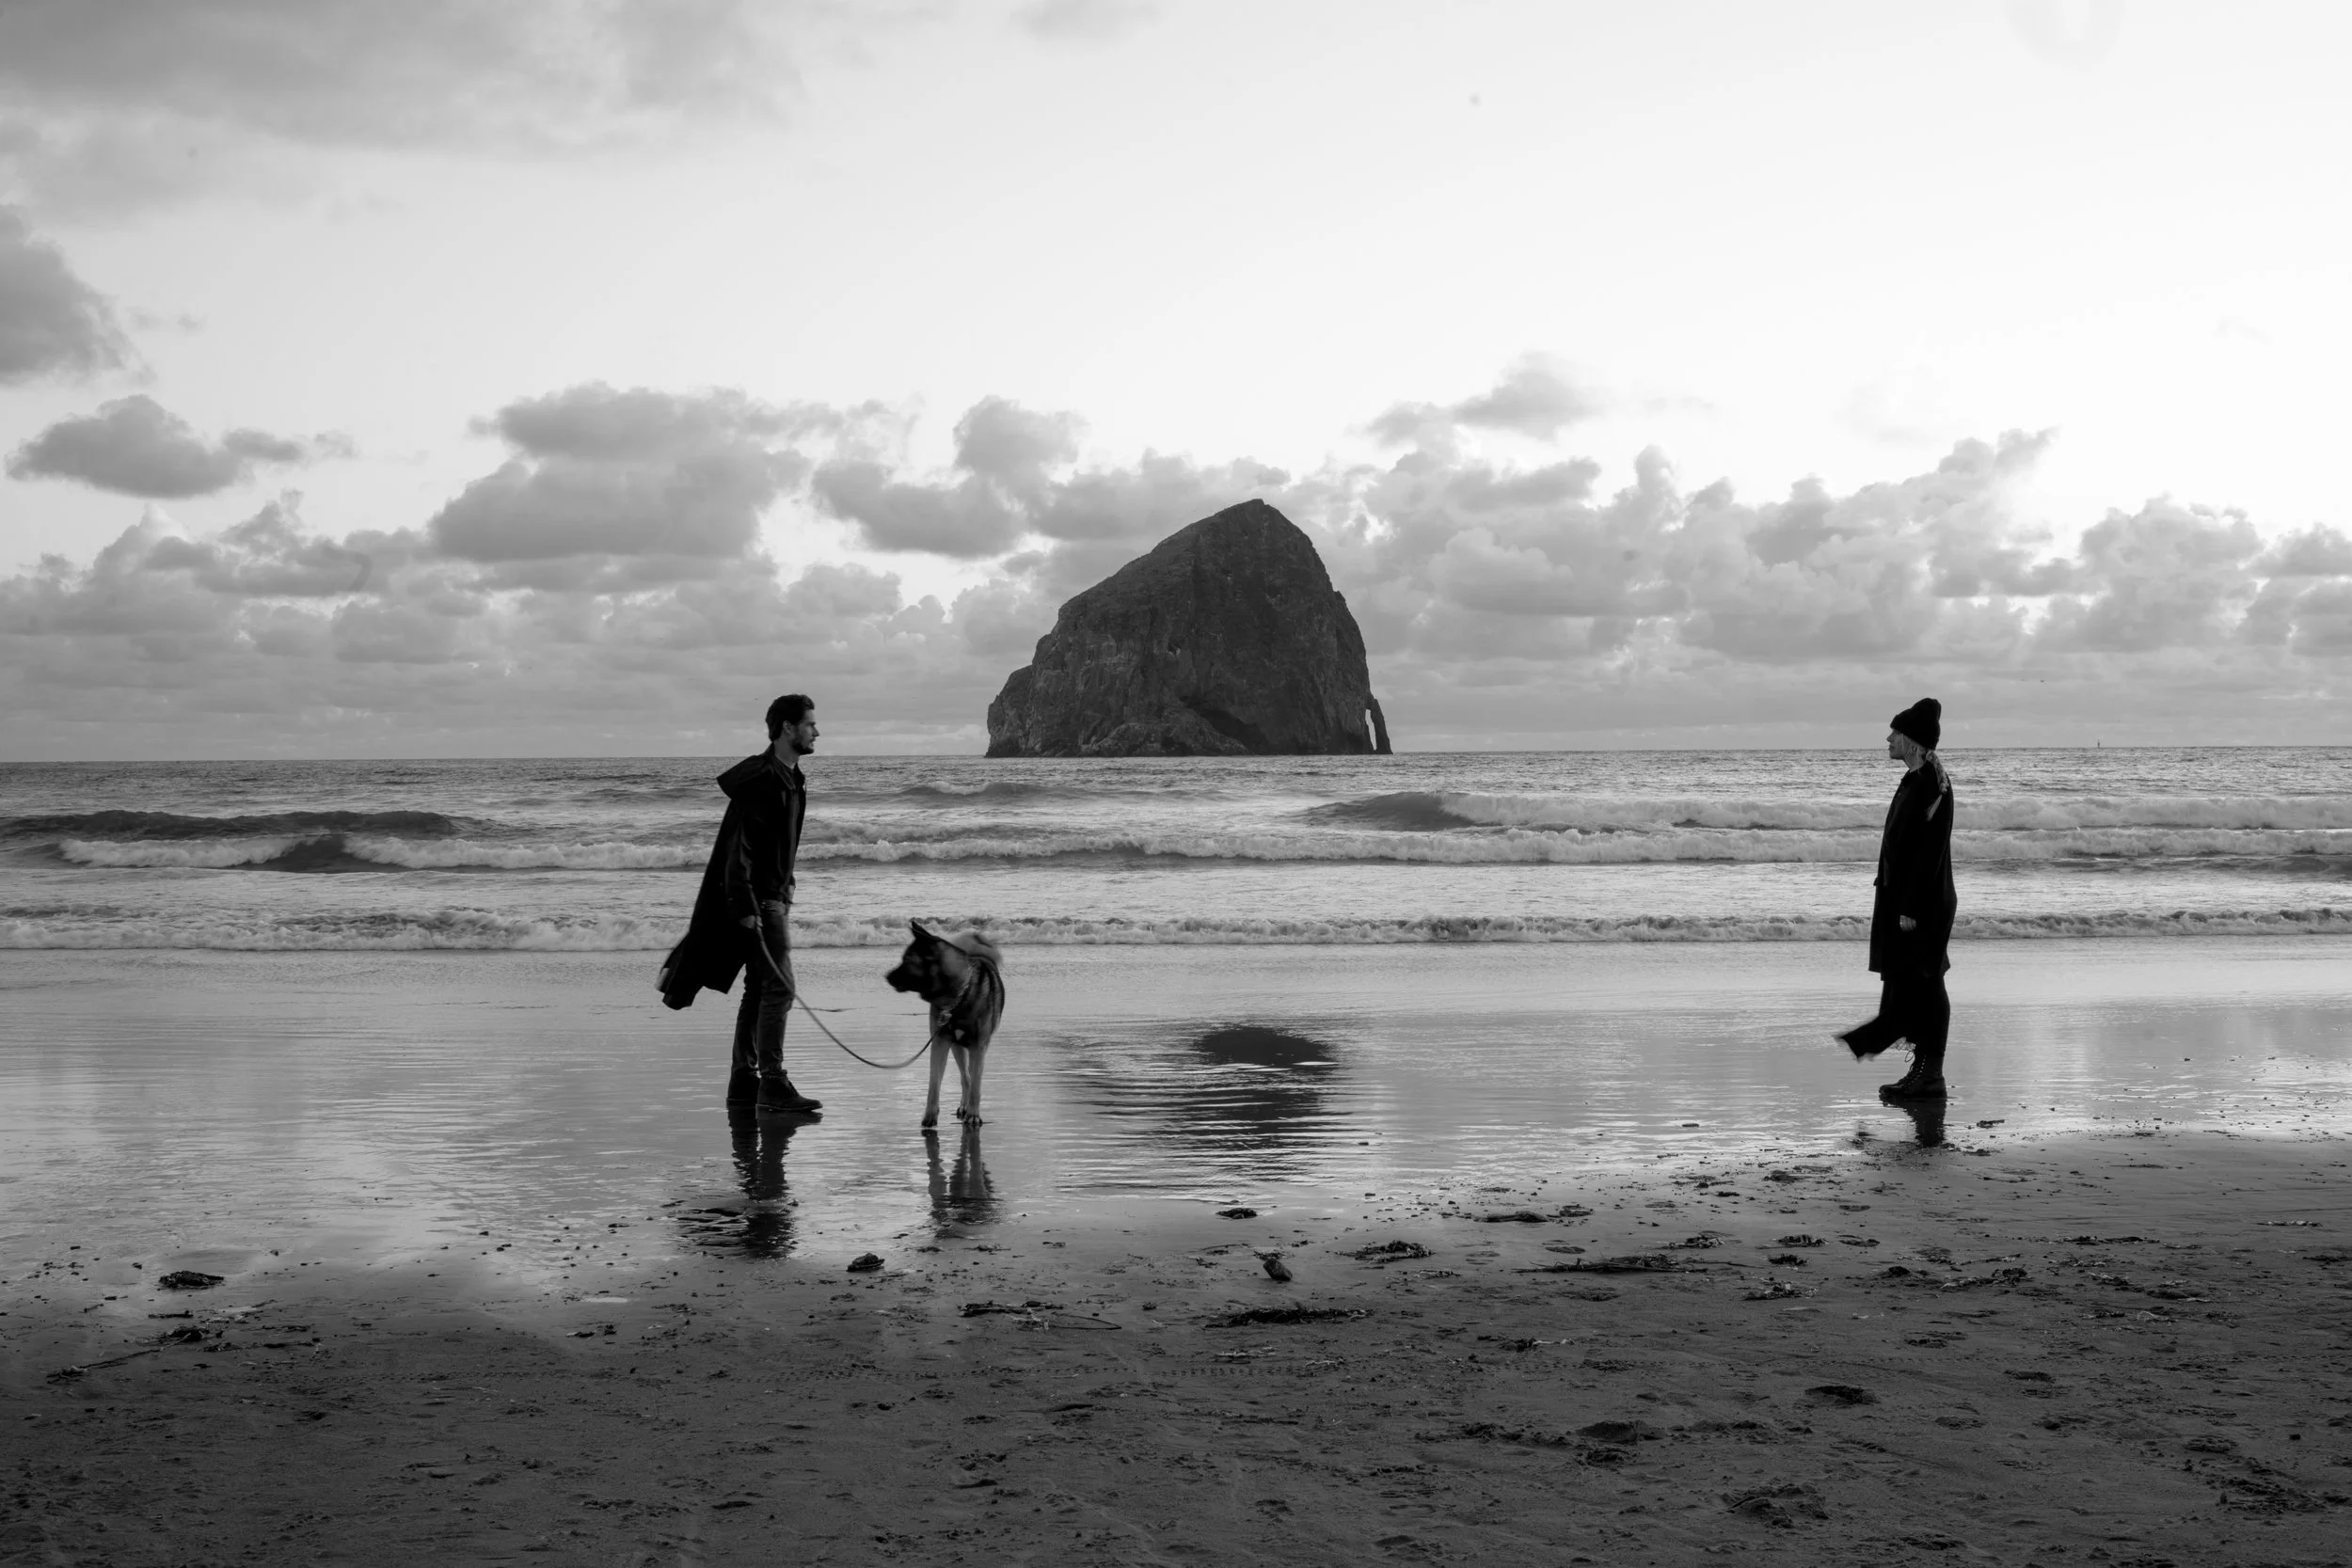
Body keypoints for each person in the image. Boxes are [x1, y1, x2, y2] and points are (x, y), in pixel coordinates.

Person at [658, 694, 824, 1115]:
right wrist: (747, 904)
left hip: (772, 897)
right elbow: (739, 848)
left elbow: (776, 845)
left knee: (759, 989)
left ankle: (743, 1080)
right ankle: (773, 1082)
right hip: (760, 902)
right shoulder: (764, 779)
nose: (816, 732)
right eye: (809, 724)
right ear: (787, 728)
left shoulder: (791, 777)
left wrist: (787, 885)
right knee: (780, 989)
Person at [1836, 697, 1956, 1101]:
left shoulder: (1931, 784)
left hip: (1922, 904)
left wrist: (1910, 907)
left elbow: (1928, 854)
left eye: (1895, 733)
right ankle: (1921, 1070)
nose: (1888, 739)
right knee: (1915, 982)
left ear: (1912, 741)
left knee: (1927, 983)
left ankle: (1930, 1075)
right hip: (1906, 900)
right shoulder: (1914, 779)